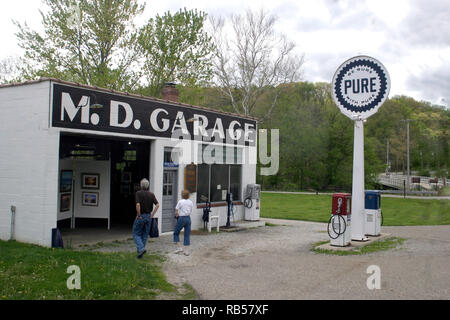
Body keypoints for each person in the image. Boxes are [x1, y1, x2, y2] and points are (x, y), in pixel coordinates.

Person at [133, 178, 159, 259]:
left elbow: (138, 205)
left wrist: (139, 214)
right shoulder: (151, 194)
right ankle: (140, 253)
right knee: (145, 235)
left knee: (136, 233)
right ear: (148, 186)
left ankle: (141, 249)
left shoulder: (138, 193)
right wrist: (152, 215)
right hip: (148, 217)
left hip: (141, 216)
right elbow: (157, 205)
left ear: (141, 185)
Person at [173, 190, 193, 256]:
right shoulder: (190, 202)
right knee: (187, 234)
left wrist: (176, 215)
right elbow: (190, 210)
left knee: (176, 232)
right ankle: (186, 251)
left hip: (181, 218)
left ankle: (179, 248)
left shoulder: (180, 201)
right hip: (188, 218)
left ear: (182, 195)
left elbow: (176, 210)